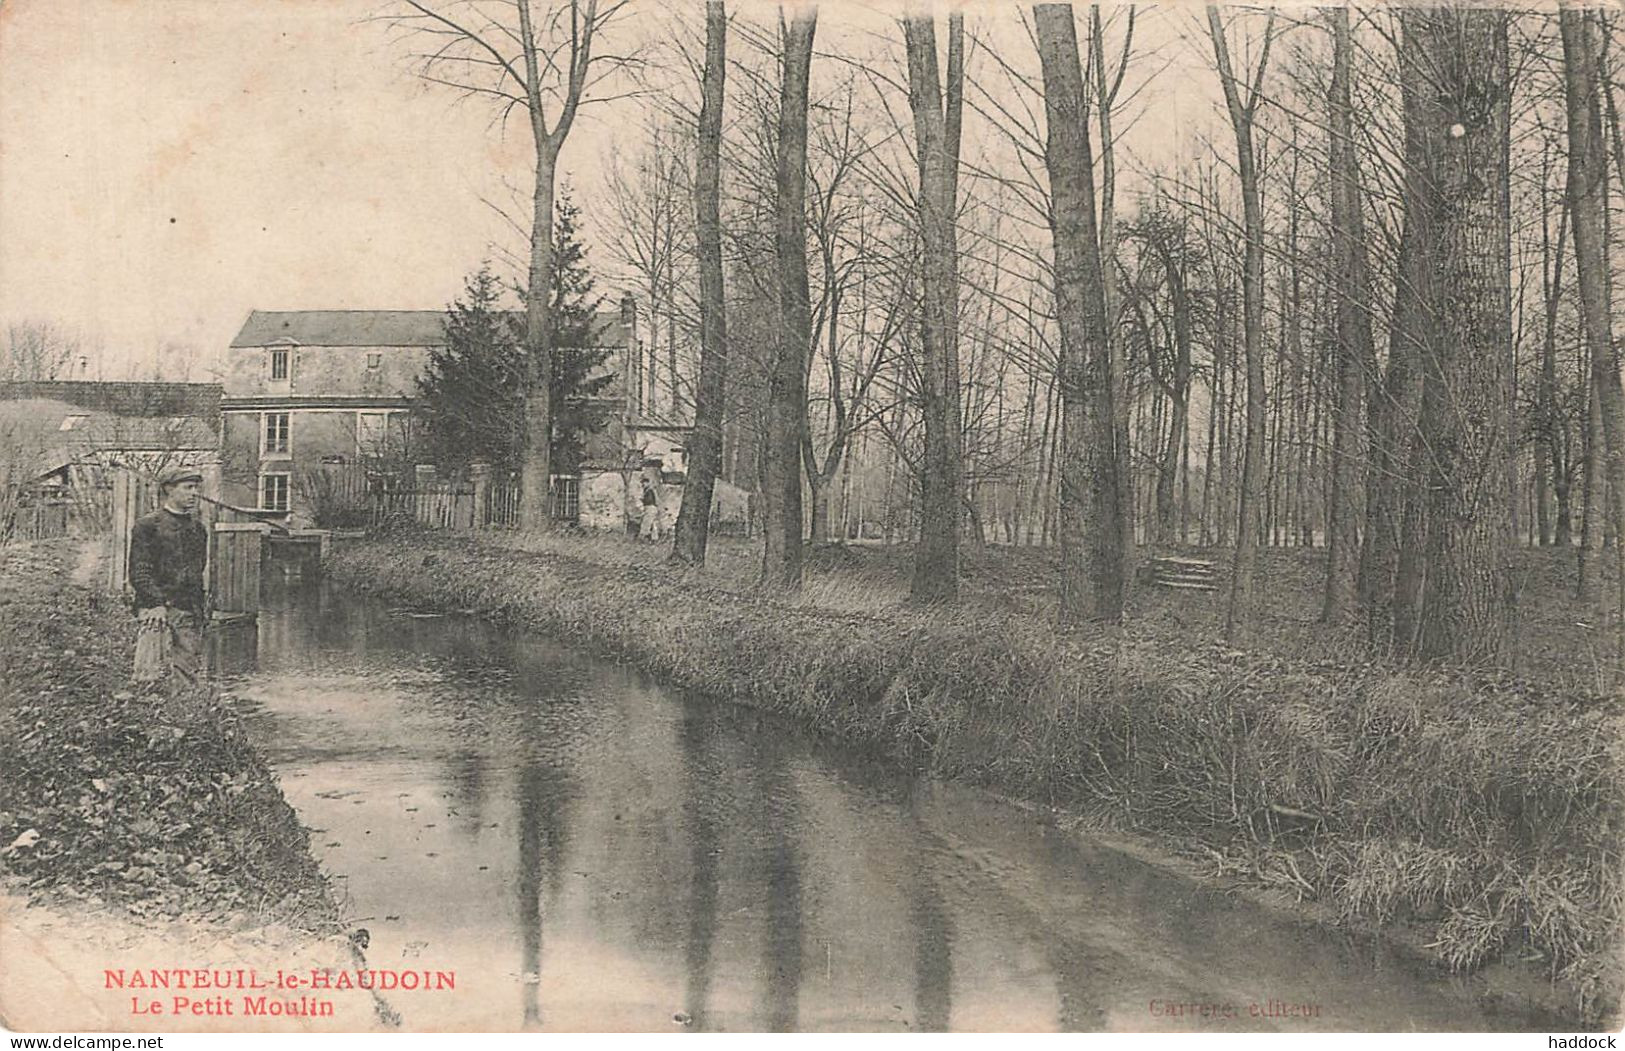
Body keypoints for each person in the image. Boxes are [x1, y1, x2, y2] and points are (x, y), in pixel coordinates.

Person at [129, 466, 209, 688]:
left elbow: (197, 570)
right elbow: (139, 571)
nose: (194, 493)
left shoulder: (198, 529)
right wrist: (156, 604)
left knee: (187, 673)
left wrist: (200, 609)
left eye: (196, 488)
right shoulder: (148, 526)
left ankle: (186, 714)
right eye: (188, 488)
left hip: (188, 609)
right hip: (156, 610)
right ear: (169, 490)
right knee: (151, 674)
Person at [638, 476, 661, 542]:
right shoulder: (647, 490)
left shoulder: (649, 491)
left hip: (650, 508)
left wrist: (643, 500)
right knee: (652, 523)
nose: (643, 485)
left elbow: (649, 500)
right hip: (651, 508)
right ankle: (654, 538)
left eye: (644, 483)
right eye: (642, 483)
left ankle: (643, 537)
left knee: (646, 523)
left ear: (647, 483)